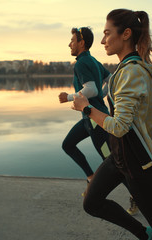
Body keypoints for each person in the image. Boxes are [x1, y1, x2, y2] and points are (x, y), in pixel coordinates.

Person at [71, 9, 152, 240]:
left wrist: (86, 108)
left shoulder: (133, 72)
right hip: (118, 156)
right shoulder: (126, 69)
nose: (103, 40)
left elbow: (120, 126)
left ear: (125, 34)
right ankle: (144, 234)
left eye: (107, 33)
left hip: (138, 165)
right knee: (91, 203)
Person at [59, 27, 139, 215]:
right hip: (89, 120)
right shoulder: (93, 61)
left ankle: (137, 196)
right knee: (68, 144)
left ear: (81, 43)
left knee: (113, 163)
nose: (69, 44)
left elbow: (92, 89)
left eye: (72, 40)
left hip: (96, 124)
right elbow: (109, 80)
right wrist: (102, 98)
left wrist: (70, 97)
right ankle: (90, 176)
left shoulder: (81, 64)